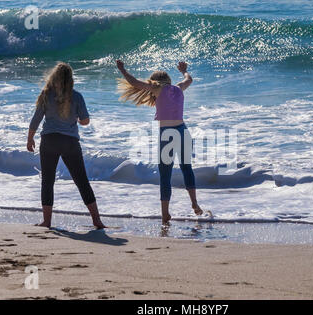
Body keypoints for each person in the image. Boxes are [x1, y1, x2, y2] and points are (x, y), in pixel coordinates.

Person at [116, 59, 203, 225]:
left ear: (155, 82)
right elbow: (189, 80)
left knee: (165, 175)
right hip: (183, 131)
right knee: (187, 169)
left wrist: (123, 70)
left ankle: (165, 215)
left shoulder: (157, 88)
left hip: (167, 135)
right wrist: (184, 70)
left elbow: (134, 82)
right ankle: (194, 203)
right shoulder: (178, 88)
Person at [27, 62, 106, 229]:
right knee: (82, 181)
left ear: (54, 77)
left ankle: (47, 222)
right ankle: (97, 221)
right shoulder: (76, 96)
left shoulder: (46, 95)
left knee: (47, 182)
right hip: (69, 142)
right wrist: (76, 119)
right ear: (71, 79)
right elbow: (85, 121)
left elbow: (36, 119)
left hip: (49, 141)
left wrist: (30, 138)